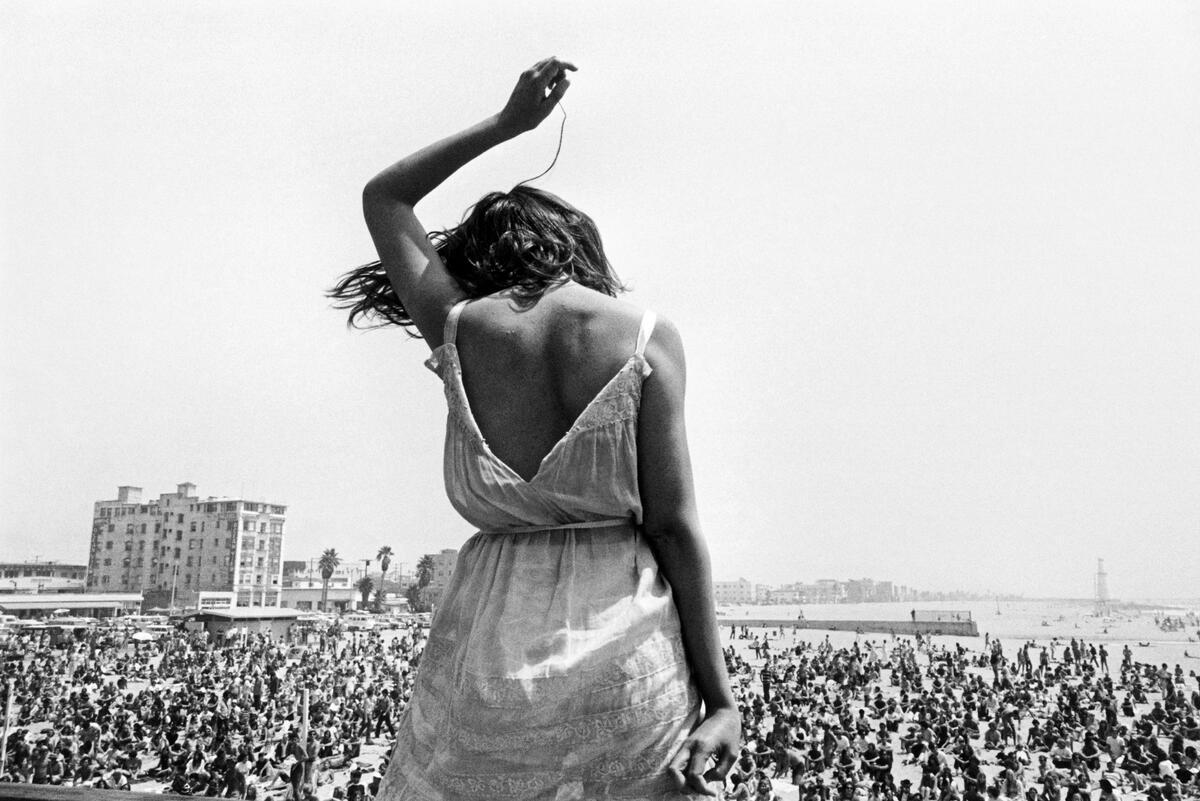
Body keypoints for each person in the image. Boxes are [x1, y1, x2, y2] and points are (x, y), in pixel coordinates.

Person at [330, 57, 740, 799]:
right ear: (578, 247)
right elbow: (676, 529)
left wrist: (507, 124)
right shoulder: (645, 335)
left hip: (487, 661)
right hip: (628, 658)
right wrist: (722, 699)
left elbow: (384, 197)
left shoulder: (457, 329)